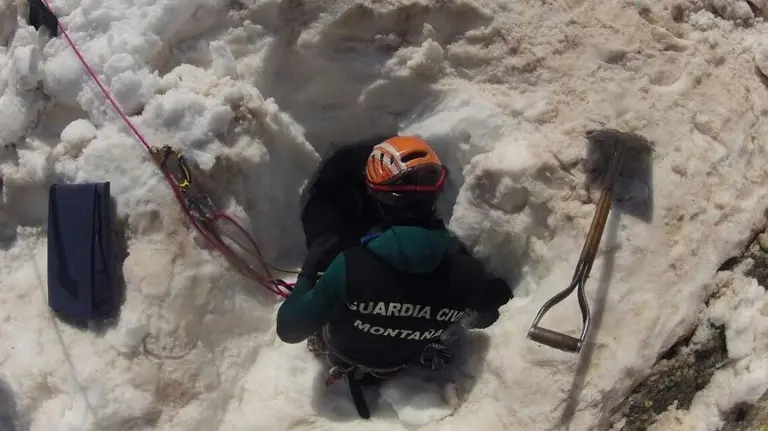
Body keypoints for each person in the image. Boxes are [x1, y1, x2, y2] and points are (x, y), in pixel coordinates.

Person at [276, 135, 512, 418]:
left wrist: (309, 272)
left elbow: (289, 329)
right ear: (437, 191)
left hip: (343, 352)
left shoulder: (350, 266)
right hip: (404, 359)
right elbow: (492, 301)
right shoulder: (469, 276)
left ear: (375, 194)